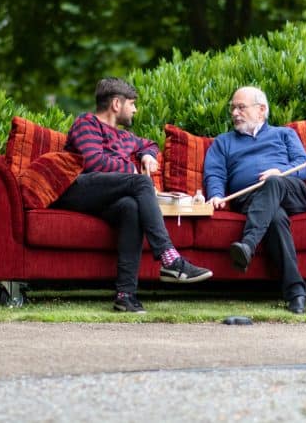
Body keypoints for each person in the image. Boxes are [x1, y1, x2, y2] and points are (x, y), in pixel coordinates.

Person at [52, 77, 213, 314]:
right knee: (140, 183)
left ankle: (125, 295)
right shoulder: (86, 123)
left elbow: (150, 144)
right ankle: (170, 259)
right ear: (117, 104)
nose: (135, 109)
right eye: (132, 104)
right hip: (78, 189)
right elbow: (93, 162)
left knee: (131, 208)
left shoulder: (125, 137)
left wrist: (148, 155)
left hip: (105, 198)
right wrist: (133, 169)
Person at [203, 86, 306, 314]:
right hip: (250, 199)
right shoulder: (223, 142)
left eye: (241, 107)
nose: (234, 113)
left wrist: (279, 172)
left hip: (291, 191)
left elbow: (304, 166)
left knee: (273, 183)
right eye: (232, 108)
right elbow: (214, 174)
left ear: (261, 110)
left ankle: (248, 245)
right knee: (275, 218)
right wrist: (215, 194)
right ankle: (296, 294)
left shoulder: (284, 134)